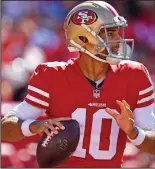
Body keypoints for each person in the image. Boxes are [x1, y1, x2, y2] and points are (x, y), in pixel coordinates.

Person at [2, 1, 155, 168]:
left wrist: (134, 132)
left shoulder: (134, 76)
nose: (118, 40)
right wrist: (34, 126)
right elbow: (5, 128)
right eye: (110, 34)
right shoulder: (53, 76)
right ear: (84, 38)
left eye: (117, 32)